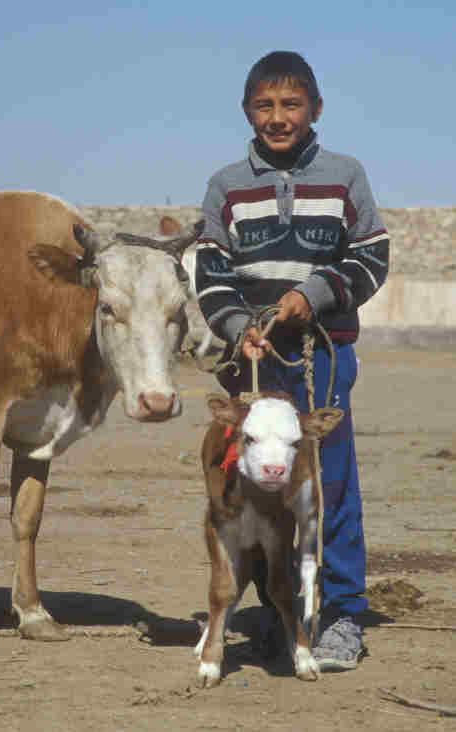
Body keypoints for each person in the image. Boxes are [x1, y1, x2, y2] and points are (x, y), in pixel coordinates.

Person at [193, 50, 390, 672]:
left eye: (290, 105)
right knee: (249, 489)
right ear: (248, 111)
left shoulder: (344, 176)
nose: (278, 118)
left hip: (322, 357)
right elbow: (210, 268)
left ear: (315, 109)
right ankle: (277, 618)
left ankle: (338, 616)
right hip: (251, 363)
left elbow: (371, 256)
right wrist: (235, 327)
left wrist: (314, 294)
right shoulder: (227, 185)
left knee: (323, 485)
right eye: (264, 106)